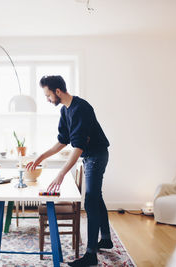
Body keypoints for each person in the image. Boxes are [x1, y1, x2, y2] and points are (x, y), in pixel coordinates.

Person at [26, 75, 112, 266]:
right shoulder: (65, 111)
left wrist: (61, 173)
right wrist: (40, 158)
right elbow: (62, 141)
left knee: (90, 199)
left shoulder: (81, 108)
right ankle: (105, 238)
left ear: (58, 91)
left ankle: (91, 256)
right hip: (90, 156)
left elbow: (78, 147)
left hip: (96, 156)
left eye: (48, 95)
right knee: (96, 196)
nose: (47, 99)